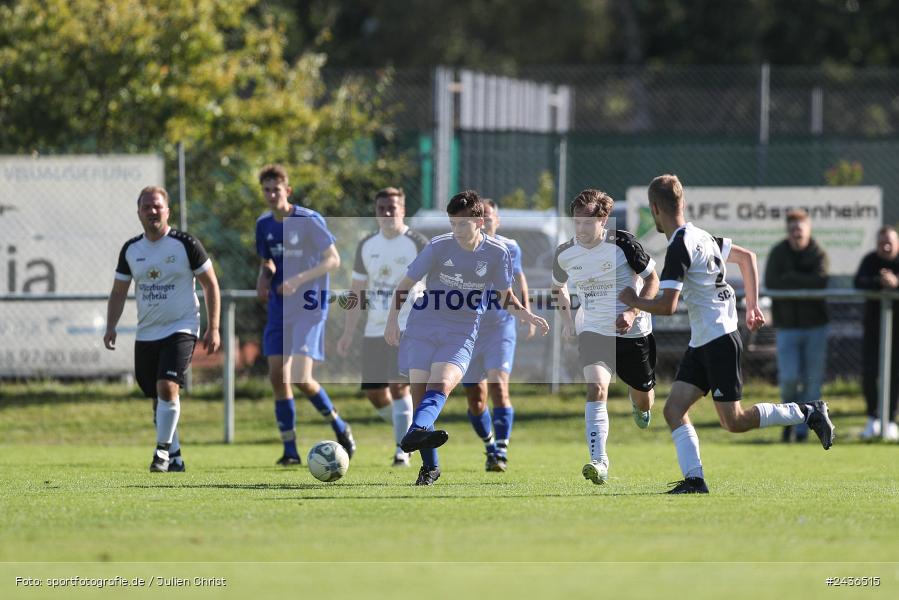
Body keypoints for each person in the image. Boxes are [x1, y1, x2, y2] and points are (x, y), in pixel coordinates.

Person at [618, 174, 835, 494]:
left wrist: (633, 301)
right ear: (683, 203)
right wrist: (753, 305)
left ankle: (808, 411)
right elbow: (748, 258)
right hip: (704, 340)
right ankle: (695, 480)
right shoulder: (701, 237)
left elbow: (666, 306)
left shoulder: (679, 246)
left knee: (734, 421)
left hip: (718, 339)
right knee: (673, 409)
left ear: (654, 209)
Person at [384, 190, 549, 486]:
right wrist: (392, 321)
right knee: (420, 397)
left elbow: (505, 296)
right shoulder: (438, 247)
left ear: (480, 221)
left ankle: (415, 435)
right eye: (453, 224)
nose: (456, 230)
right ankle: (430, 468)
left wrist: (527, 315)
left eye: (462, 224)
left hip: (461, 333)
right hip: (423, 326)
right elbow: (405, 285)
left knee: (442, 385)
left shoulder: (498, 253)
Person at [104, 185, 221, 472]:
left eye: (157, 206)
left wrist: (213, 326)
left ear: (167, 210)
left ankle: (161, 453)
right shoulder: (132, 250)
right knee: (157, 398)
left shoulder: (185, 244)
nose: (152, 211)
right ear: (139, 213)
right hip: (147, 332)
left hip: (182, 326)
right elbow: (119, 292)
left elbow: (210, 284)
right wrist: (111, 326)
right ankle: (176, 457)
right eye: (146, 207)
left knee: (167, 387)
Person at [551, 189, 659, 485]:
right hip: (594, 331)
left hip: (633, 331)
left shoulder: (623, 243)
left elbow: (653, 279)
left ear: (604, 220)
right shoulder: (564, 252)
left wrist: (633, 312)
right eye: (577, 223)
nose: (581, 229)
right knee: (596, 387)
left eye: (588, 223)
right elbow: (557, 287)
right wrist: (567, 321)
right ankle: (599, 461)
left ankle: (639, 402)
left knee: (645, 400)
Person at [255, 164, 355, 466]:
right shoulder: (263, 224)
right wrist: (263, 275)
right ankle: (290, 450)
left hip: (309, 307)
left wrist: (299, 280)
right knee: (277, 377)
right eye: (266, 189)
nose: (272, 194)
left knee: (300, 376)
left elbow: (333, 260)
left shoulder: (308, 220)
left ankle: (340, 425)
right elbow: (268, 261)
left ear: (288, 190)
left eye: (276, 188)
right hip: (279, 309)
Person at [337, 187, 428, 466]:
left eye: (393, 208)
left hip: (405, 327)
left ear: (403, 210)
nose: (387, 213)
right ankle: (412, 430)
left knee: (398, 386)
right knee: (375, 394)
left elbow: (433, 283)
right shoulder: (366, 245)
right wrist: (348, 331)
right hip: (374, 329)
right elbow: (357, 291)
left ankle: (403, 450)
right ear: (375, 212)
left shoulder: (417, 242)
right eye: (382, 209)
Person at [461, 200, 535, 473]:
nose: (485, 222)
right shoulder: (461, 248)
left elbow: (519, 279)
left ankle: (501, 449)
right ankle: (490, 446)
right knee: (476, 399)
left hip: (500, 327)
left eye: (489, 217)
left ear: (497, 220)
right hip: (468, 331)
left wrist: (525, 313)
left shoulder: (509, 247)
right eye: (479, 217)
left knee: (499, 386)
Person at [764, 209, 829, 443]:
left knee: (812, 380)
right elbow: (772, 282)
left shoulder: (817, 252)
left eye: (800, 229)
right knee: (789, 379)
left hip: (815, 327)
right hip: (787, 327)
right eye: (792, 229)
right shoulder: (778, 252)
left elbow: (820, 281)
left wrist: (791, 278)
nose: (796, 233)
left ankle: (804, 431)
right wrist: (802, 281)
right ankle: (787, 423)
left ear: (808, 229)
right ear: (787, 231)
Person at [853, 225, 899, 441]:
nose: (886, 246)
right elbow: (858, 281)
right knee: (870, 374)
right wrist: (878, 282)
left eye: (890, 242)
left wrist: (895, 283)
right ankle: (873, 418)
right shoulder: (870, 260)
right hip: (873, 329)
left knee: (894, 375)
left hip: (897, 331)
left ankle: (890, 420)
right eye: (882, 243)